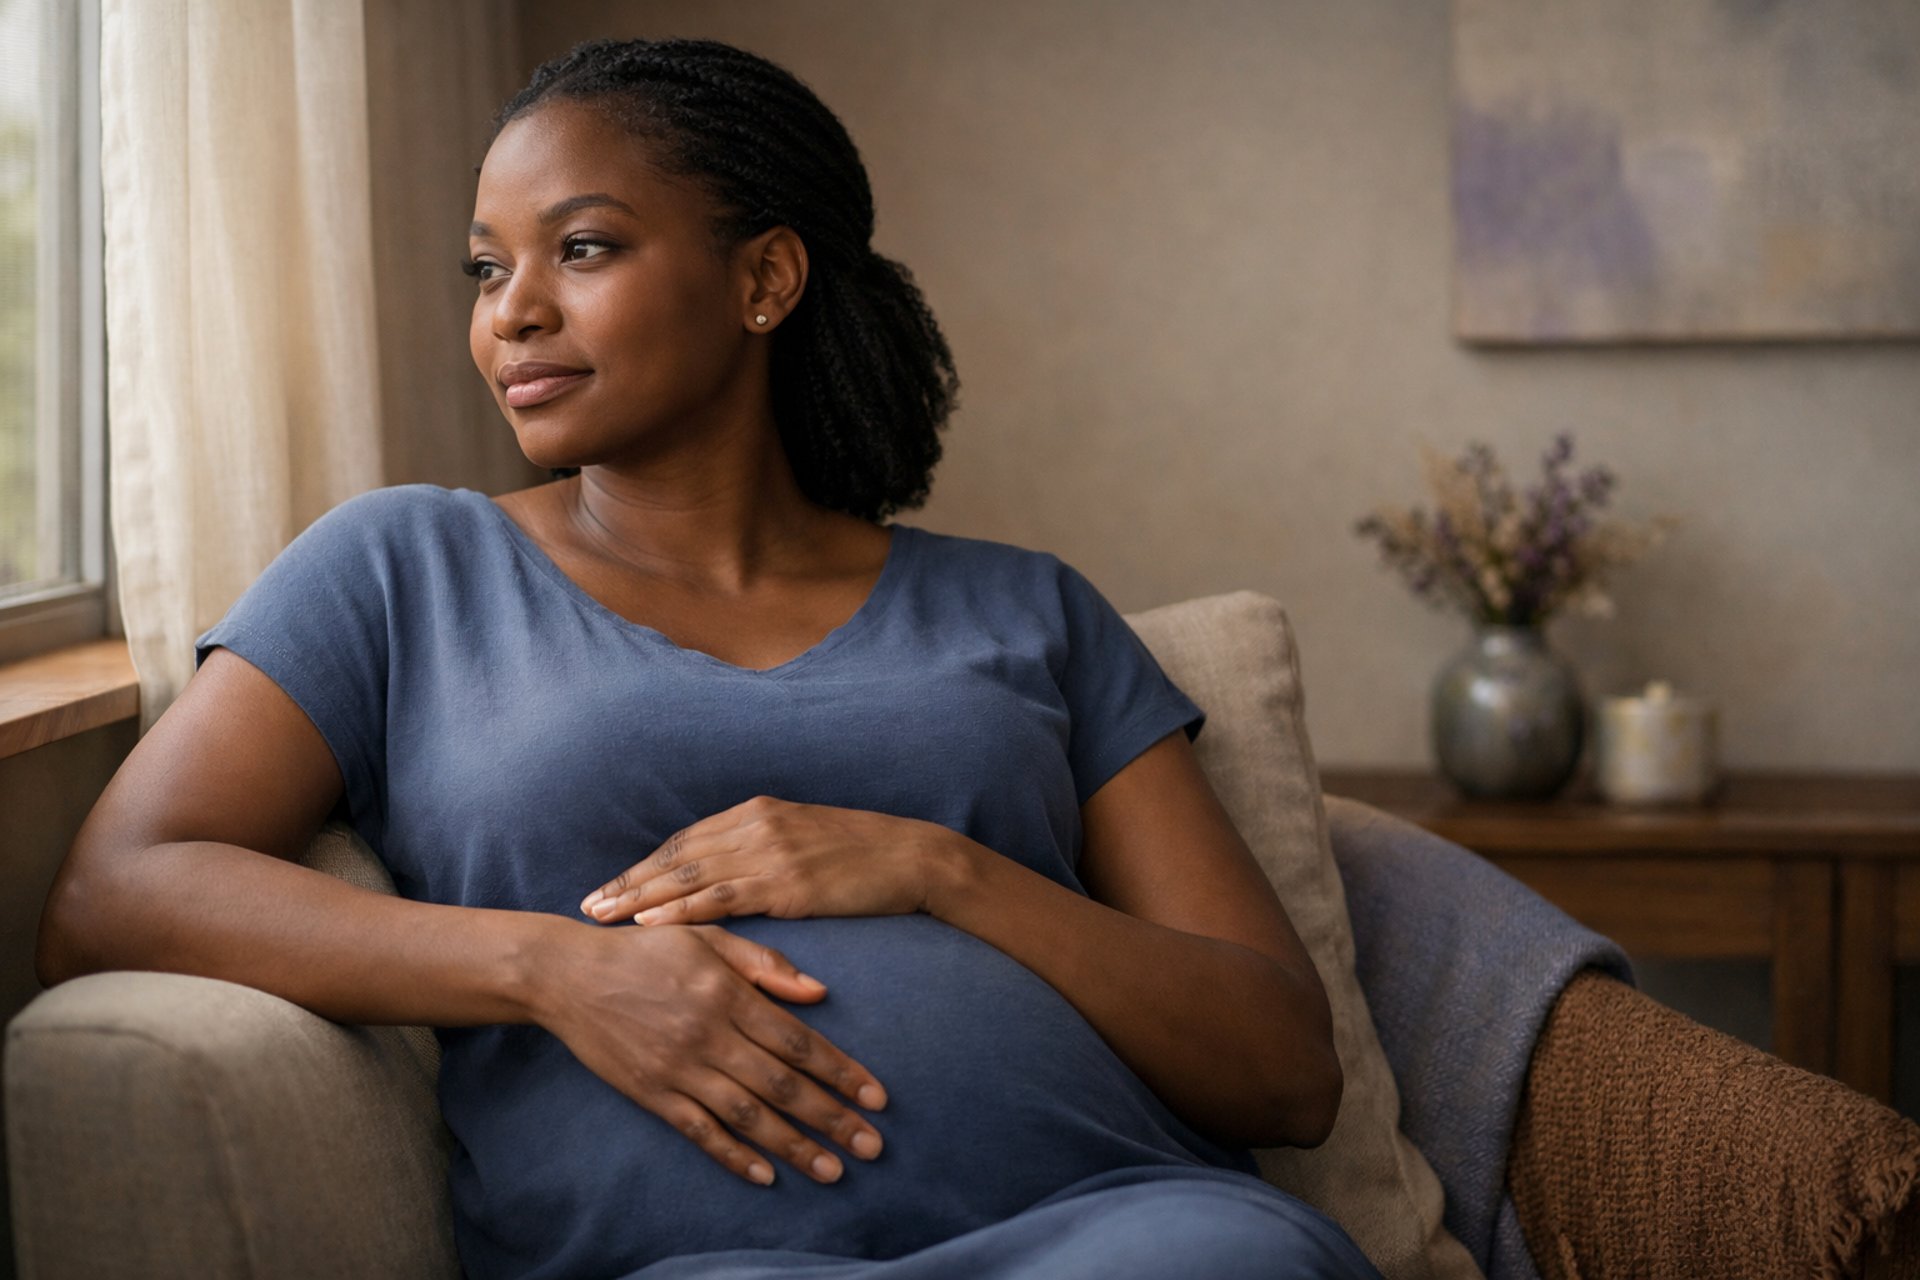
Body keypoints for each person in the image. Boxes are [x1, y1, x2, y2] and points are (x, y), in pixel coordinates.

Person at [38, 36, 1384, 1280]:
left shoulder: (1032, 612)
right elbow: (118, 888)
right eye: (487, 268)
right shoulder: (404, 568)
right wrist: (553, 970)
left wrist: (936, 868)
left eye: (581, 248)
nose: (511, 313)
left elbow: (1282, 1064)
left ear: (763, 280)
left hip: (1125, 1231)